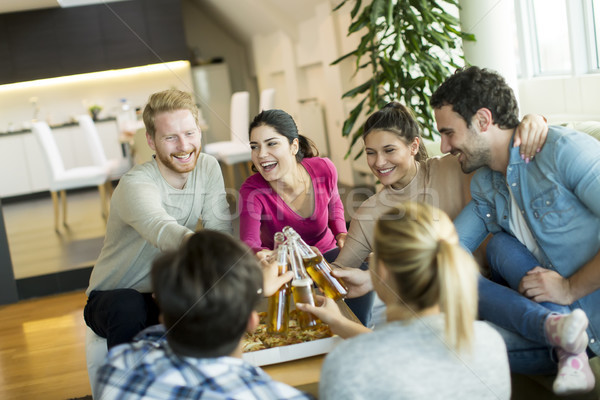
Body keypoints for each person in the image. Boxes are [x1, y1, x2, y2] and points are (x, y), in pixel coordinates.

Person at [430, 65, 599, 395]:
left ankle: (568, 340)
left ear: (482, 120)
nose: (444, 146)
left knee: (441, 350)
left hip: (592, 324)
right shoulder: (487, 185)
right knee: (492, 249)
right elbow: (447, 251)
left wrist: (568, 288)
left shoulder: (563, 152)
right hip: (548, 315)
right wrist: (379, 275)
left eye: (449, 132)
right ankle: (558, 331)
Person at [328, 102, 547, 325]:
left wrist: (533, 121)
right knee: (454, 272)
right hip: (444, 305)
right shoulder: (368, 212)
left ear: (413, 147)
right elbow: (338, 271)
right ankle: (550, 327)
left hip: (498, 280)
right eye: (370, 153)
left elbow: (498, 144)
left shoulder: (455, 166)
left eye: (389, 150)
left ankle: (553, 321)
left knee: (500, 245)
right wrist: (305, 270)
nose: (379, 162)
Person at [297, 202, 510, 399]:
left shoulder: (349, 364)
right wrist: (339, 323)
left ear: (380, 269)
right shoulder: (490, 341)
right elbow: (404, 349)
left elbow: (390, 353)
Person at [84, 89, 232, 349]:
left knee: (215, 293)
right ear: (151, 140)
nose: (184, 146)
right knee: (128, 306)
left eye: (189, 133)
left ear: (199, 131)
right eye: (170, 138)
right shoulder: (135, 184)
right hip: (114, 298)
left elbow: (219, 230)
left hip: (167, 292)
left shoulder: (207, 166)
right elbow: (162, 230)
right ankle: (129, 387)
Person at [95, 230, 310, 400]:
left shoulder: (117, 367)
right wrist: (252, 289)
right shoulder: (277, 395)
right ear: (252, 322)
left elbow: (151, 338)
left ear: (162, 317)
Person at [239, 109, 346, 256]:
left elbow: (334, 204)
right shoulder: (252, 190)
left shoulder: (324, 168)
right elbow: (249, 244)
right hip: (284, 264)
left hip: (328, 253)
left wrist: (341, 233)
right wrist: (284, 255)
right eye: (254, 147)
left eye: (271, 144)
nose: (261, 154)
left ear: (294, 146)